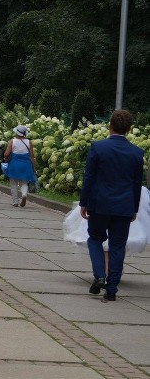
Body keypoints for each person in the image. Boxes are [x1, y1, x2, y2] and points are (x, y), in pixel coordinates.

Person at [80, 110, 144, 302]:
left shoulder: (98, 148)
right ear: (129, 128)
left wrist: (84, 202)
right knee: (117, 246)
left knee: (95, 238)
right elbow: (136, 183)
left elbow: (89, 177)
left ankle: (99, 274)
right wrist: (134, 207)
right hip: (124, 206)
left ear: (110, 126)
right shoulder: (136, 152)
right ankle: (112, 288)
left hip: (100, 204)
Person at [3, 125, 36, 207]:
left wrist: (6, 158)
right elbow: (32, 156)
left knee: (13, 183)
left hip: (14, 164)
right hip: (26, 165)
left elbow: (6, 154)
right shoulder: (29, 142)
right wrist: (34, 167)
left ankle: (15, 202)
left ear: (16, 132)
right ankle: (24, 195)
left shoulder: (12, 141)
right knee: (24, 182)